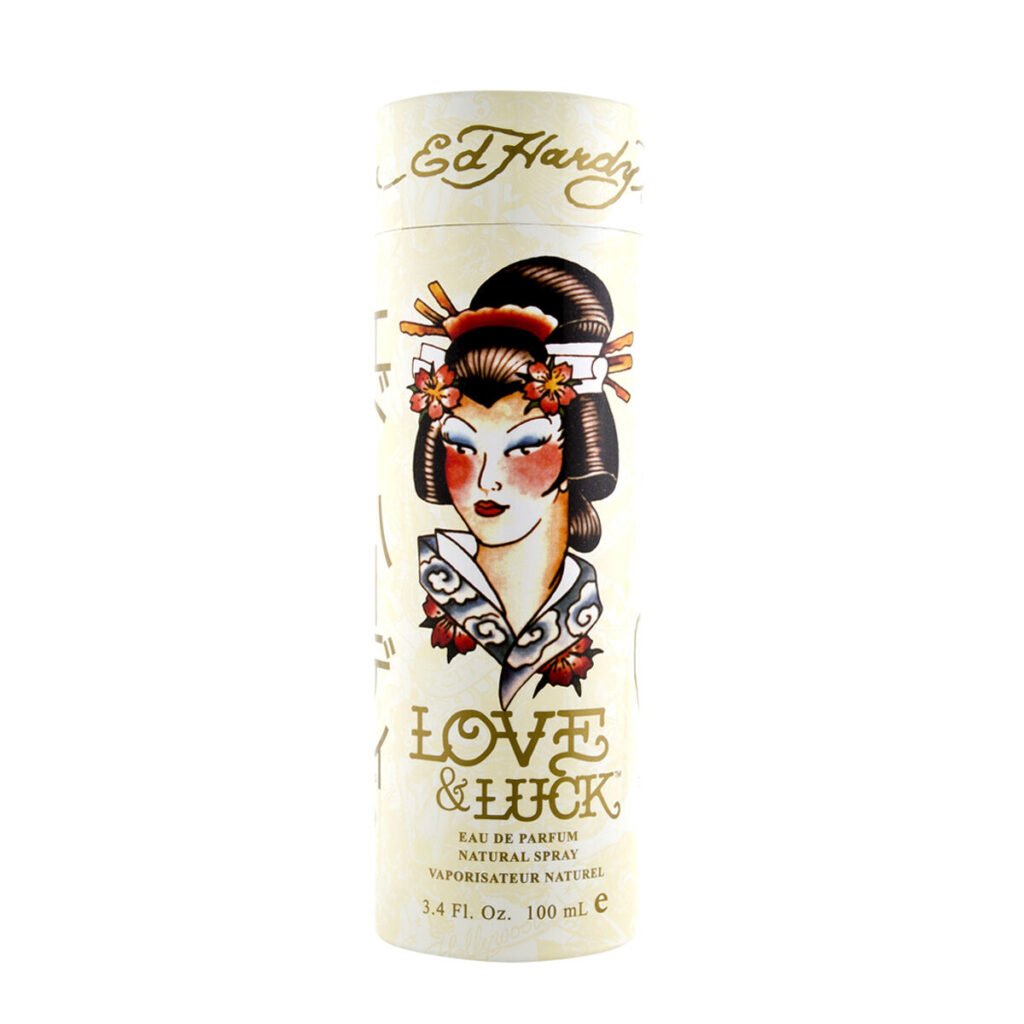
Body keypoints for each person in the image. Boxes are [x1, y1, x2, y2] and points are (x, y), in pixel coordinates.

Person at [403, 256, 632, 708]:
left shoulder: (596, 598)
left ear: (576, 450)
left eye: (525, 445)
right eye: (461, 444)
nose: (486, 480)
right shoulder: (421, 579)